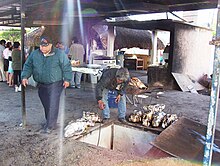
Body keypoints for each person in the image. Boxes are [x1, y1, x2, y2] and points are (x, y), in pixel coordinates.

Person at [21, 36, 72, 133]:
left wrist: (67, 79)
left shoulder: (59, 54)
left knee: (53, 103)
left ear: (51, 45)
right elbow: (28, 65)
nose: (42, 48)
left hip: (55, 83)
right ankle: (50, 121)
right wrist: (24, 76)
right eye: (41, 46)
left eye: (45, 46)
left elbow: (66, 66)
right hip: (41, 83)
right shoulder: (35, 54)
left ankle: (50, 126)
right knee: (46, 103)